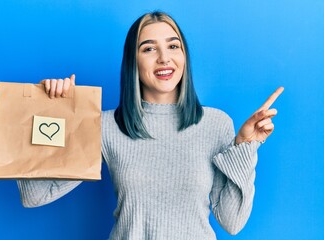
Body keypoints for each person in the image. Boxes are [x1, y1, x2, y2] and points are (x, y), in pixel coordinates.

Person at [17, 11, 284, 240]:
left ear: (184, 56)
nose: (164, 58)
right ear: (133, 61)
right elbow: (35, 195)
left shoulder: (215, 124)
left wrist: (246, 145)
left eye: (173, 46)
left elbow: (232, 221)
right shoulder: (106, 126)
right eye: (149, 48)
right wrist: (51, 111)